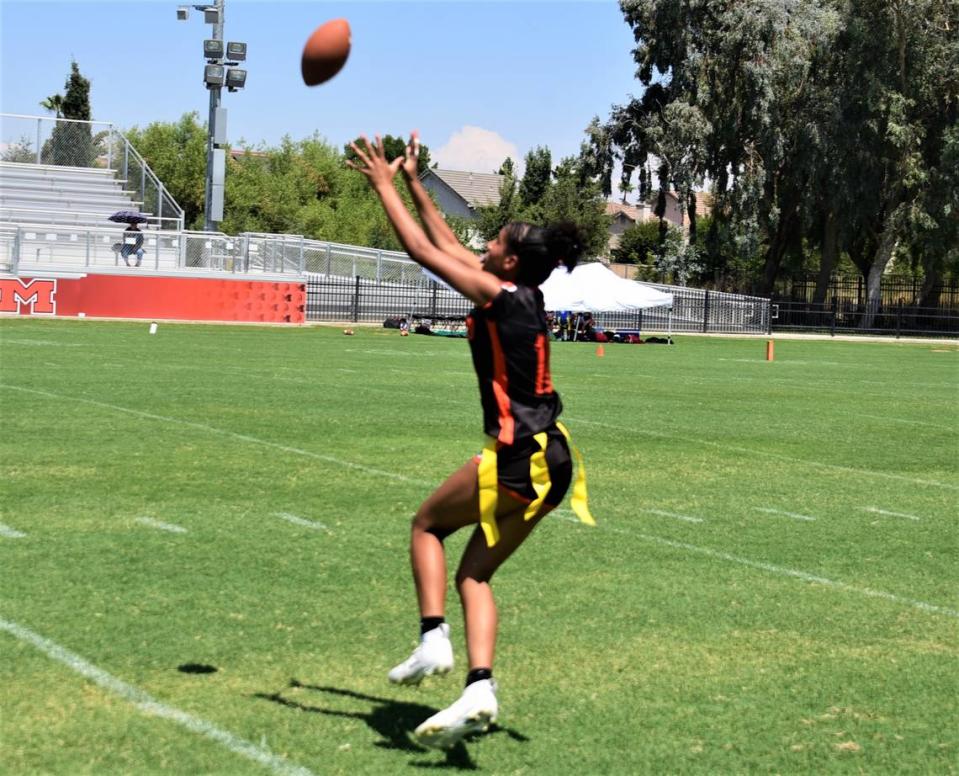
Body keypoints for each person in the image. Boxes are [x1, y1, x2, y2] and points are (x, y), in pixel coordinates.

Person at [347, 133, 595, 750]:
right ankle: (479, 686)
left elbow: (423, 251)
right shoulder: (523, 291)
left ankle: (434, 639)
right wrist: (413, 180)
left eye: (494, 242)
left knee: (426, 525)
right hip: (555, 458)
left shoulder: (499, 294)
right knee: (475, 575)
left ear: (509, 262)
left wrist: (382, 182)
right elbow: (451, 244)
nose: (481, 245)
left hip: (520, 456)